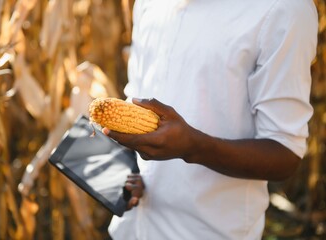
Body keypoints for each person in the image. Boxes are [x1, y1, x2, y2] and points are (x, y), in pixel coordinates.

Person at [105, 0, 318, 239]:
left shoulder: (284, 9)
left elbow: (285, 155)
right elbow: (137, 98)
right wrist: (132, 171)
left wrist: (193, 147)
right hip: (130, 228)